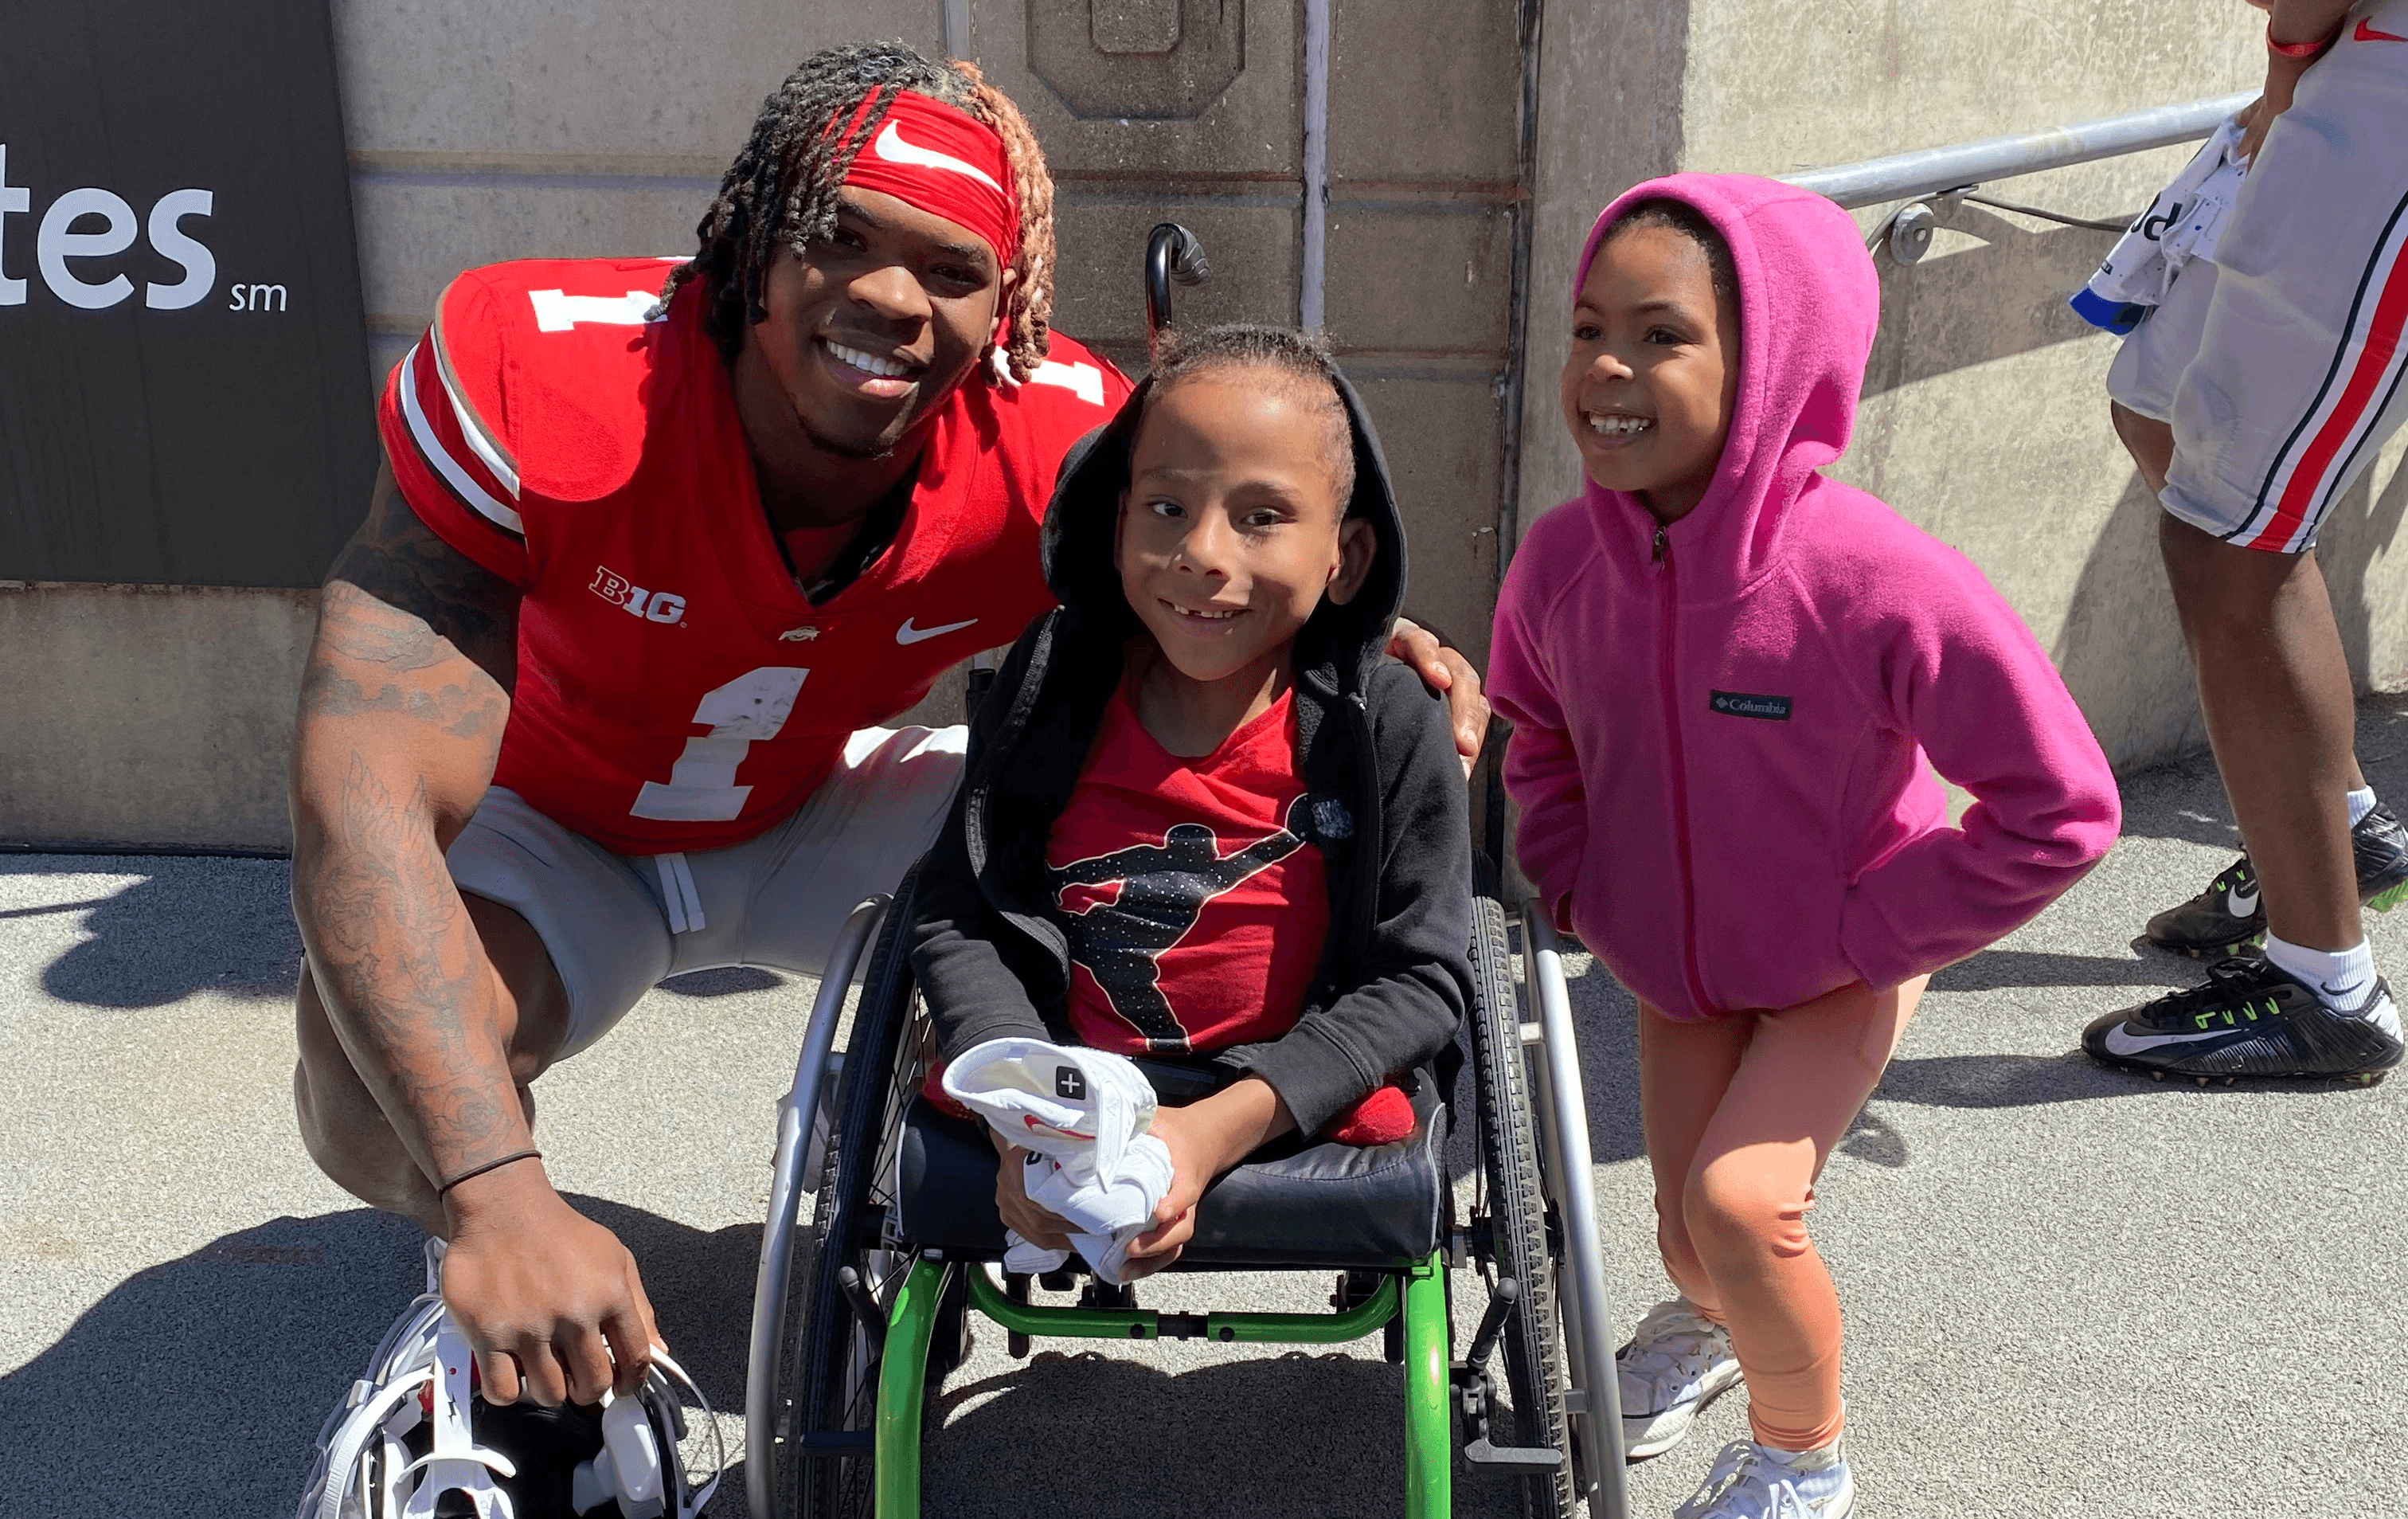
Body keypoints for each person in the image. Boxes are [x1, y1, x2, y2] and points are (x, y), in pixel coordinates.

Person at [286, 42, 1488, 1413]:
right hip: (563, 832)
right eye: (836, 236)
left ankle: (1045, 1130)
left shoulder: (1059, 442)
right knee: (365, 1089)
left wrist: (1362, 638)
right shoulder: (539, 371)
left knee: (1081, 837)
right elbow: (361, 787)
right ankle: (488, 1273)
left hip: (829, 815)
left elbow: (1236, 544)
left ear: (1004, 309)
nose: (886, 295)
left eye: (948, 268)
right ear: (747, 232)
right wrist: (493, 1190)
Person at [1488, 178, 2120, 1517]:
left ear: (1769, 358)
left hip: (1840, 958)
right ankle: (1710, 1329)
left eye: (1659, 334)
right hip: (1670, 966)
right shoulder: (1557, 567)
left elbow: (2058, 804)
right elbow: (1531, 728)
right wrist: (1571, 872)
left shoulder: (1864, 575)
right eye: (1587, 326)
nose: (1604, 365)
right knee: (1681, 1232)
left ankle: (1801, 1458)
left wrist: (1868, 929)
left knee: (1736, 1204)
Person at [909, 324, 1472, 1279]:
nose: (1201, 551)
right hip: (1070, 1081)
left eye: (1261, 517)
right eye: (1166, 507)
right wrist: (1025, 1116)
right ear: (1118, 517)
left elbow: (1421, 978)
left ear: (1347, 554)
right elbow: (964, 915)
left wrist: (1209, 1133)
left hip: (1290, 1085)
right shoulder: (1051, 689)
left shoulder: (1385, 721)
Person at [2084, 0, 2408, 1081]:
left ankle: (2330, 988)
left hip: (2374, 90)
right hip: (2346, 67)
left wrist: (2289, 70)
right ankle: (2338, 824)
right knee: (2159, 400)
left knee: (2234, 538)